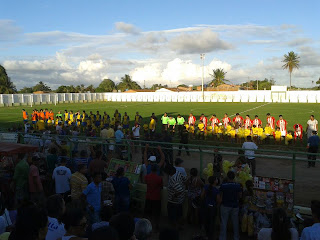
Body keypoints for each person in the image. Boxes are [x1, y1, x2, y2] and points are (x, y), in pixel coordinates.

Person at [219, 171, 242, 240]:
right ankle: (236, 237)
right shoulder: (238, 186)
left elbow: (221, 196)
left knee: (224, 223)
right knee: (235, 223)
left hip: (225, 206)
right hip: (235, 206)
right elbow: (240, 196)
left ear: (227, 177)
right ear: (234, 177)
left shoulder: (223, 186)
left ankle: (222, 238)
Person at [144, 164, 163, 229]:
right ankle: (156, 226)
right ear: (157, 170)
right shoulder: (159, 178)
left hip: (148, 197)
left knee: (149, 214)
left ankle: (148, 226)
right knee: (156, 214)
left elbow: (145, 182)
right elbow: (161, 187)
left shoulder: (146, 177)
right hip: (156, 198)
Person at [201, 176, 220, 240]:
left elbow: (202, 196)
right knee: (212, 222)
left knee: (206, 221)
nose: (217, 179)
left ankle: (206, 235)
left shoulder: (205, 187)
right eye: (216, 179)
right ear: (214, 181)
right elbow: (218, 200)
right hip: (213, 208)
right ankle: (210, 236)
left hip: (206, 207)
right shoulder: (216, 190)